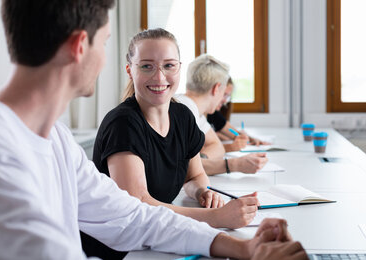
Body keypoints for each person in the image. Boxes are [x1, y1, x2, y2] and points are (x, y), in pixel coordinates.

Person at [0, 1, 308, 260]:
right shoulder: (7, 163)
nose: (104, 58)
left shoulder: (57, 140)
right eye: (105, 42)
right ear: (80, 46)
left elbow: (136, 216)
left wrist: (245, 247)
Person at [82, 27, 263, 258]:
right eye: (147, 66)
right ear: (130, 70)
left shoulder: (182, 116)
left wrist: (201, 193)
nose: (159, 77)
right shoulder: (123, 124)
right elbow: (139, 205)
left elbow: (194, 176)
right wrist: (217, 218)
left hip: (157, 239)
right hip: (119, 250)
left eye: (168, 65)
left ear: (179, 67)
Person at [175, 55, 269, 175]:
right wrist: (235, 164)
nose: (224, 101)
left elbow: (217, 147)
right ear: (217, 88)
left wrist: (201, 161)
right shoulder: (181, 111)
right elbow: (180, 168)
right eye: (224, 93)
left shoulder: (196, 112)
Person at [207, 77, 271, 153]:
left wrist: (251, 139)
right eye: (224, 94)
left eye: (227, 96)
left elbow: (232, 132)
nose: (225, 101)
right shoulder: (199, 114)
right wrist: (231, 146)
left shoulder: (214, 114)